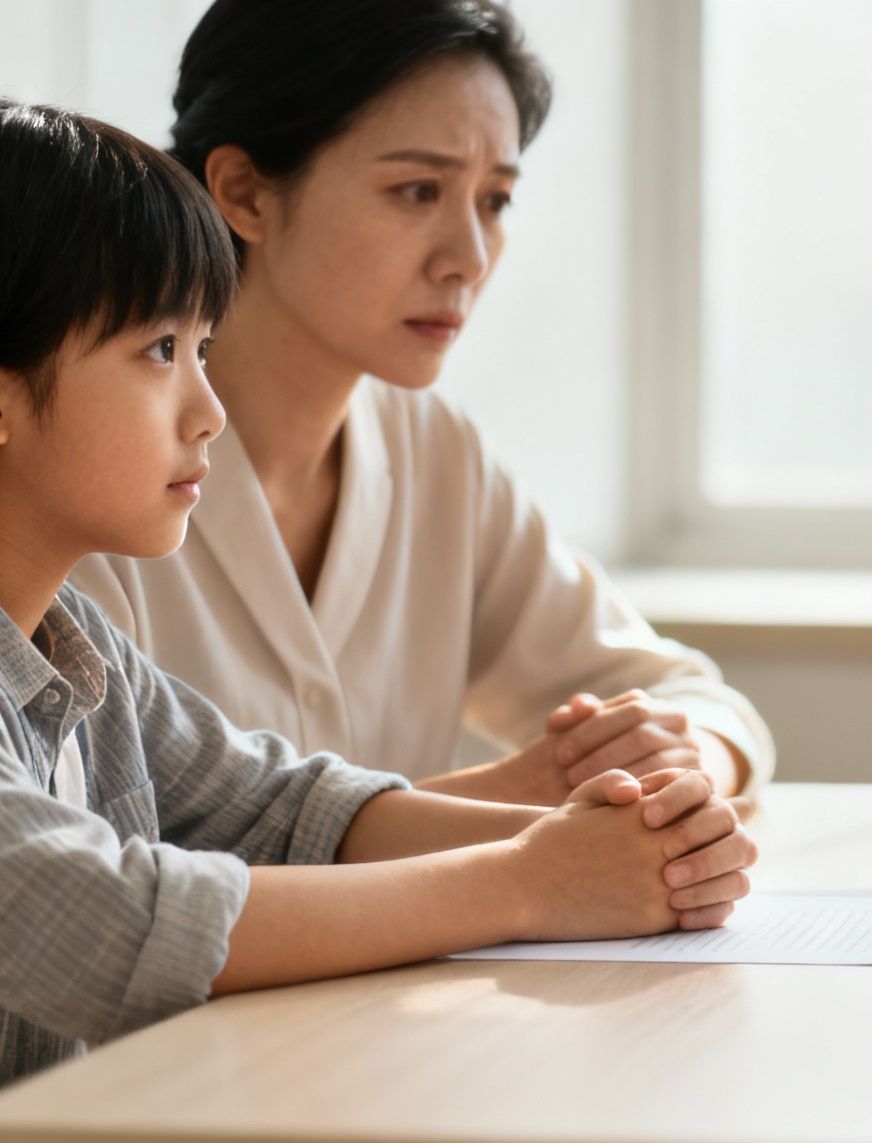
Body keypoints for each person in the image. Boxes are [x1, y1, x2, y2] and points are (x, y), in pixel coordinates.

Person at [0, 98, 757, 1086]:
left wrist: (634, 844)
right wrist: (526, 881)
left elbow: (282, 811)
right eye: (158, 352)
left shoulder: (73, 640)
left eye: (201, 348)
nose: (208, 409)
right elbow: (107, 922)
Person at [66, 0, 774, 810]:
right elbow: (103, 886)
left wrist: (683, 762)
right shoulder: (84, 454)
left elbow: (686, 696)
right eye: (417, 190)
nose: (468, 259)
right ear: (245, 191)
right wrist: (503, 812)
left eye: (495, 200)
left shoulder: (433, 453)